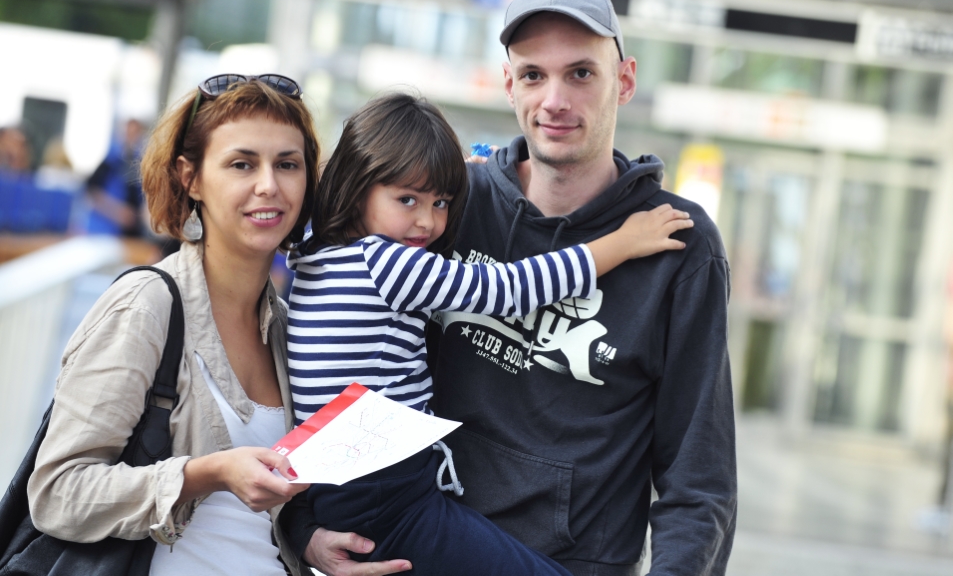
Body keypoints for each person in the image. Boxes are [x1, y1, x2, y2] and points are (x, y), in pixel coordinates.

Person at [306, 0, 737, 576]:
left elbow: (699, 475)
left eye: (581, 73)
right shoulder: (452, 204)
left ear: (626, 80)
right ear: (509, 84)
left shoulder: (677, 242)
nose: (555, 100)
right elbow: (325, 362)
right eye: (534, 74)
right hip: (418, 548)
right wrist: (303, 527)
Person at [280, 92, 692, 575]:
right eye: (406, 199)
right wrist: (619, 244)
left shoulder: (315, 255)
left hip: (346, 486)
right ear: (356, 185)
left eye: (441, 202)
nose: (426, 221)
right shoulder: (384, 262)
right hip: (384, 492)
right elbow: (507, 289)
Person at [27, 75, 320, 576]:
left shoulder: (290, 330)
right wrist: (202, 474)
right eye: (242, 164)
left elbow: (254, 522)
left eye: (287, 164)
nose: (269, 184)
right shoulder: (148, 304)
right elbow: (57, 492)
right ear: (191, 178)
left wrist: (312, 542)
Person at [85, 118, 147, 236]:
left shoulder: (140, 163)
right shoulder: (111, 161)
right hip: (105, 230)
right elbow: (92, 192)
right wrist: (118, 213)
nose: (131, 139)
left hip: (131, 232)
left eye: (135, 134)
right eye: (129, 133)